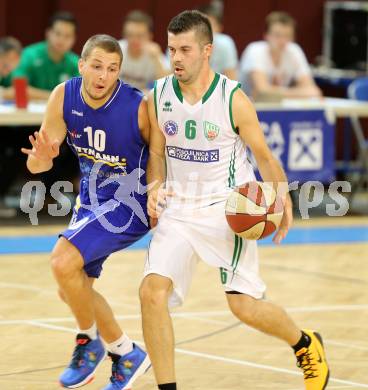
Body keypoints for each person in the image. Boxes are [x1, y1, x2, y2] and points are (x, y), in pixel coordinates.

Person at [139, 10, 329, 390]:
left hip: (230, 209)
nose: (176, 58)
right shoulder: (158, 95)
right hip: (179, 209)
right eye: (172, 49)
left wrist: (281, 200)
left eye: (185, 50)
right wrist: (154, 185)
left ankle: (305, 343)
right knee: (151, 293)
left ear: (207, 51)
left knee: (243, 307)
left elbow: (264, 156)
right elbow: (157, 152)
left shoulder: (232, 98)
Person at [21, 34, 151, 389]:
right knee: (71, 288)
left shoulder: (138, 106)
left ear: (120, 72)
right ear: (81, 65)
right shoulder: (64, 95)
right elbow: (37, 166)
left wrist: (161, 193)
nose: (102, 76)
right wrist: (42, 158)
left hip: (130, 200)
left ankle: (88, 341)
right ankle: (125, 352)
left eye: (112, 69)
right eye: (96, 66)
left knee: (62, 262)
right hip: (92, 200)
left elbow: (163, 156)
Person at [239, 11, 321, 101]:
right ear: (266, 35)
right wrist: (299, 93)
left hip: (276, 107)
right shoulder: (255, 50)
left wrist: (274, 92)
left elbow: (313, 91)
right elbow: (262, 91)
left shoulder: (294, 51)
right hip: (245, 107)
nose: (283, 41)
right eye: (277, 35)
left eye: (288, 36)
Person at [11, 11, 79, 100]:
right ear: (48, 33)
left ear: (74, 39)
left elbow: (80, 94)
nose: (61, 40)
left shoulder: (76, 63)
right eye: (58, 33)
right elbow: (19, 89)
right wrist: (55, 97)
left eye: (67, 36)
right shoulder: (30, 55)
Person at [119, 10, 169, 93]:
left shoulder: (154, 53)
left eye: (140, 36)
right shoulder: (117, 50)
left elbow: (167, 84)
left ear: (150, 36)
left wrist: (156, 59)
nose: (134, 40)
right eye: (130, 35)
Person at [198, 3, 238, 80]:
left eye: (210, 26)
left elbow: (232, 81)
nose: (205, 31)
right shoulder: (181, 42)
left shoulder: (226, 44)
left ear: (219, 28)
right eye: (201, 26)